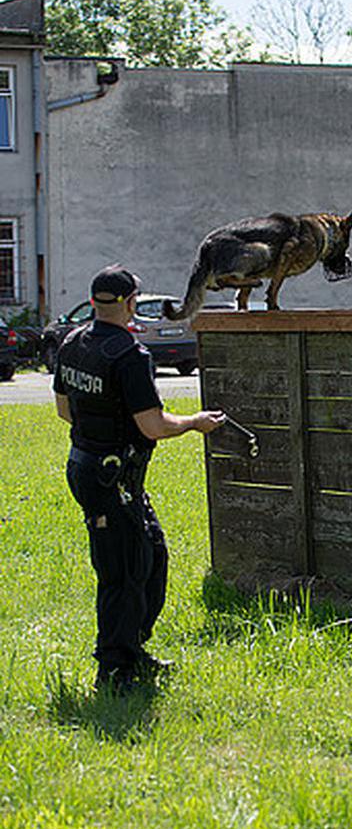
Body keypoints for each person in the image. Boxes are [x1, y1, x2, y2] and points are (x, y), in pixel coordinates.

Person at [54, 265, 226, 692]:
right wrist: (194, 422)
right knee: (123, 573)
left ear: (94, 302)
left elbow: (63, 410)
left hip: (94, 468)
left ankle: (133, 647)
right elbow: (153, 425)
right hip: (109, 477)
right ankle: (114, 670)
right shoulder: (131, 356)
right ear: (130, 303)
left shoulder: (73, 342)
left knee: (152, 556)